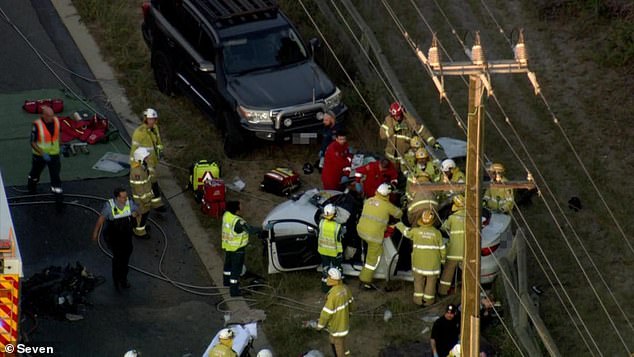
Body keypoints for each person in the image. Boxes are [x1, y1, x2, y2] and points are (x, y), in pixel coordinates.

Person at [395, 210, 445, 306]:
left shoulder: (416, 231)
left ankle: (418, 301)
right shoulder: (437, 233)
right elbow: (442, 248)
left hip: (418, 264)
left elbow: (406, 232)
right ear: (432, 221)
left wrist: (399, 224)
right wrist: (442, 260)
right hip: (433, 266)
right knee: (431, 284)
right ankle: (428, 301)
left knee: (418, 282)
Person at [356, 183, 402, 289]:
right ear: (387, 195)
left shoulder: (368, 201)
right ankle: (365, 280)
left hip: (361, 231)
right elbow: (399, 214)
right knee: (372, 260)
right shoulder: (387, 206)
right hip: (374, 236)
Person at [92, 187, 138, 291]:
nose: (125, 199)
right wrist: (95, 233)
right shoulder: (109, 207)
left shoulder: (129, 203)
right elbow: (101, 219)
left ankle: (123, 280)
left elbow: (136, 210)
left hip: (126, 236)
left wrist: (136, 213)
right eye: (123, 197)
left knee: (125, 259)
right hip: (115, 237)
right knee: (117, 260)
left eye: (126, 196)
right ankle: (116, 281)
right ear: (117, 197)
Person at [379, 101, 439, 170]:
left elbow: (422, 131)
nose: (397, 117)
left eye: (398, 115)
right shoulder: (388, 122)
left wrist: (433, 143)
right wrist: (393, 129)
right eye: (395, 116)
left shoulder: (410, 121)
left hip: (405, 158)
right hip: (390, 158)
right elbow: (382, 135)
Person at [222, 201, 259, 297]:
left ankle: (226, 282)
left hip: (228, 246)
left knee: (228, 266)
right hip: (237, 249)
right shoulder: (238, 222)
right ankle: (234, 291)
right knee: (236, 270)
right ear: (236, 210)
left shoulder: (226, 215)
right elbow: (250, 230)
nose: (242, 209)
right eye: (240, 207)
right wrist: (263, 229)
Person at [130, 108, 165, 211]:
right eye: (150, 119)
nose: (152, 121)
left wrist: (160, 150)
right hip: (144, 162)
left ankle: (155, 203)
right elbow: (134, 151)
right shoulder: (139, 133)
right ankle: (152, 204)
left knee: (152, 181)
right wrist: (136, 165)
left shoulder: (155, 128)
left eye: (154, 119)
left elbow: (158, 142)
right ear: (145, 119)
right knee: (150, 182)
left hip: (152, 161)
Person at [316, 268, 354, 357]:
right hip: (344, 324)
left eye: (328, 277)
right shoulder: (345, 289)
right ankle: (347, 355)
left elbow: (326, 314)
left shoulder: (333, 295)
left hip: (337, 328)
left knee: (339, 347)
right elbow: (352, 303)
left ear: (332, 279)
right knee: (339, 342)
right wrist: (349, 315)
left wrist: (319, 326)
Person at [27, 106, 63, 197]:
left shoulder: (56, 121)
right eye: (49, 116)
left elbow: (58, 133)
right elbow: (33, 142)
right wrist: (42, 153)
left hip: (54, 154)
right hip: (40, 155)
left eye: (52, 115)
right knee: (35, 173)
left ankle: (58, 195)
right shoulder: (37, 125)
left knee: (55, 175)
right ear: (44, 115)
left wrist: (61, 145)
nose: (51, 118)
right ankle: (31, 188)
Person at [439, 195, 466, 296]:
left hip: (453, 251)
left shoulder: (452, 218)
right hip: (466, 252)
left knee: (448, 272)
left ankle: (442, 292)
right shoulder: (470, 217)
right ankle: (467, 291)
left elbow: (443, 228)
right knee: (467, 274)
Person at [318, 204, 346, 292]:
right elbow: (341, 237)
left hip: (323, 251)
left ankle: (325, 287)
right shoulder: (337, 226)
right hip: (334, 252)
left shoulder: (321, 223)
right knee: (337, 268)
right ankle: (339, 285)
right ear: (334, 214)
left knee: (326, 268)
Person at [129, 147, 154, 238]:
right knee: (141, 216)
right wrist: (146, 200)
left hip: (143, 198)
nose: (147, 158)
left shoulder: (142, 166)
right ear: (140, 159)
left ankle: (140, 227)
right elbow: (140, 190)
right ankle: (139, 232)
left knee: (143, 214)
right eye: (145, 157)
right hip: (140, 200)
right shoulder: (137, 172)